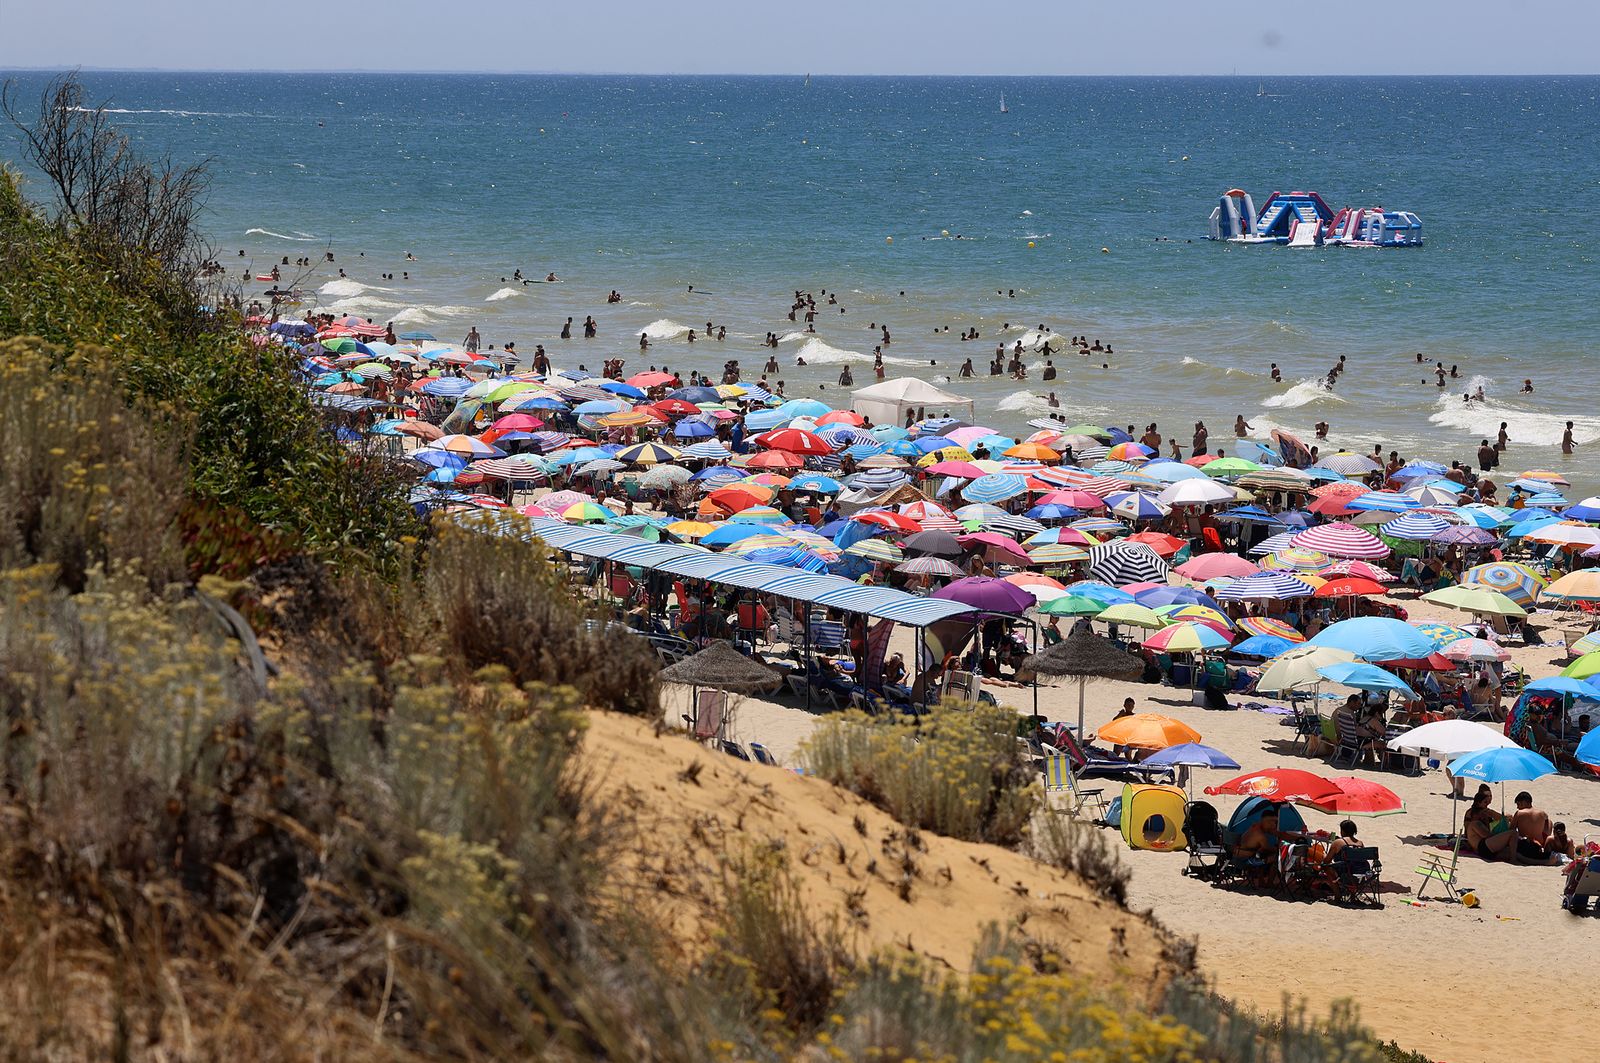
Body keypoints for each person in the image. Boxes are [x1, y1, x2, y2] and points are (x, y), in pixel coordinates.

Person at [1233, 804, 1306, 860]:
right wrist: (1282, 849)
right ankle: (1270, 879)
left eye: (1275, 822)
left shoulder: (1256, 826)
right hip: (1244, 857)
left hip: (1239, 852)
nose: (1273, 824)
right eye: (1271, 822)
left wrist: (1299, 837)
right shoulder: (1260, 835)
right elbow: (1267, 848)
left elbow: (1278, 833)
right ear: (1264, 821)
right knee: (1277, 857)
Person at [1510, 790, 1553, 862]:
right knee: (1549, 821)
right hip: (1539, 846)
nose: (1517, 807)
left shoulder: (1519, 813)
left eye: (1518, 804)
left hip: (1525, 846)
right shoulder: (1542, 813)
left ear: (1524, 802)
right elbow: (1549, 823)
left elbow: (1511, 830)